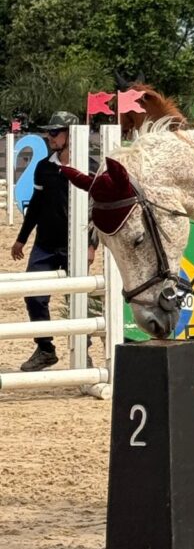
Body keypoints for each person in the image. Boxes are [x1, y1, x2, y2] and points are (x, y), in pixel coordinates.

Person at [10, 111, 97, 372]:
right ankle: (45, 349)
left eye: (55, 132)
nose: (50, 137)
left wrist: (92, 244)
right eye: (49, 132)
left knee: (79, 301)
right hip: (45, 244)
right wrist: (21, 239)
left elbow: (99, 210)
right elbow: (36, 206)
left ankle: (84, 351)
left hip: (77, 245)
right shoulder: (44, 167)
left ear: (71, 135)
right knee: (34, 298)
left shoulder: (91, 168)